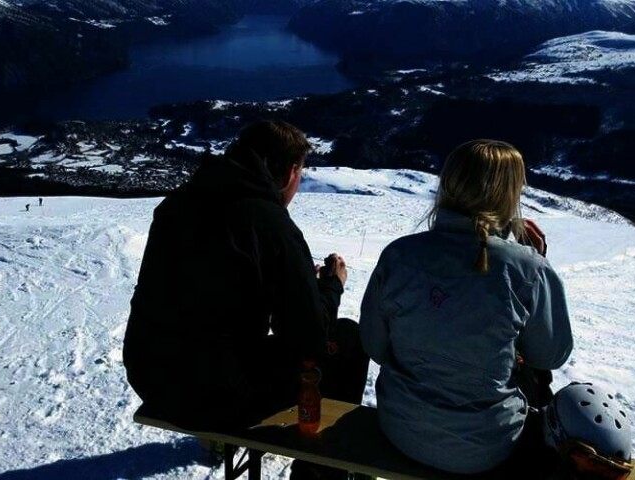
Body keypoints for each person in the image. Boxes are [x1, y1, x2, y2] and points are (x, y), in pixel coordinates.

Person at [123, 120, 369, 477]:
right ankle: (321, 471)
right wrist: (331, 287)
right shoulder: (269, 223)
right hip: (217, 395)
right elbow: (309, 338)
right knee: (347, 339)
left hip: (151, 378)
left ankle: (220, 436)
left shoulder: (176, 205)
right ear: (290, 172)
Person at [359, 139, 573, 476]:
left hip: (400, 428)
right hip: (487, 446)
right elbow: (550, 355)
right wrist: (537, 262)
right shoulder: (527, 269)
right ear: (506, 195)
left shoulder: (398, 256)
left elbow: (375, 346)